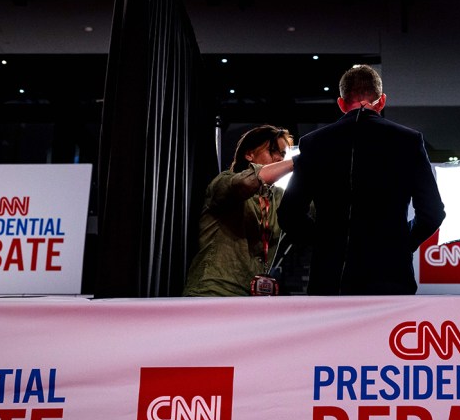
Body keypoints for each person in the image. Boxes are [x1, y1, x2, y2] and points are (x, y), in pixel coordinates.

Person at [278, 65, 445, 295]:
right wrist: (400, 245)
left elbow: (289, 214)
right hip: (390, 278)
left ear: (341, 103)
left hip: (330, 279)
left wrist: (324, 242)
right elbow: (433, 212)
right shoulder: (408, 141)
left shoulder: (315, 143)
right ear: (382, 100)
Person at [184, 125, 294, 296]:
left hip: (250, 298)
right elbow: (245, 183)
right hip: (212, 293)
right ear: (249, 154)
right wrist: (297, 162)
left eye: (284, 154)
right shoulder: (223, 181)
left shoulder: (278, 197)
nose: (280, 158)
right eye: (273, 151)